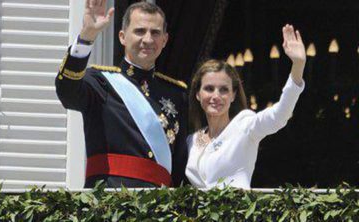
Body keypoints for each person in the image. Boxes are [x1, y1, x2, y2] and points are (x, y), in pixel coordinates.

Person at [55, 0, 188, 188]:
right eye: (140, 31)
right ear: (122, 37)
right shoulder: (100, 82)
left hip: (159, 207)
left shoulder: (176, 93)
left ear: (165, 40)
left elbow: (180, 163)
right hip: (110, 201)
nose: (148, 39)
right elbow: (67, 91)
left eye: (155, 33)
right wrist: (87, 36)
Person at [185, 24, 306, 189]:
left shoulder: (245, 125)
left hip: (237, 212)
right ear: (198, 94)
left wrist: (298, 66)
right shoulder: (191, 140)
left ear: (233, 95)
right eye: (208, 89)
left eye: (224, 90)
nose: (216, 96)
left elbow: (280, 114)